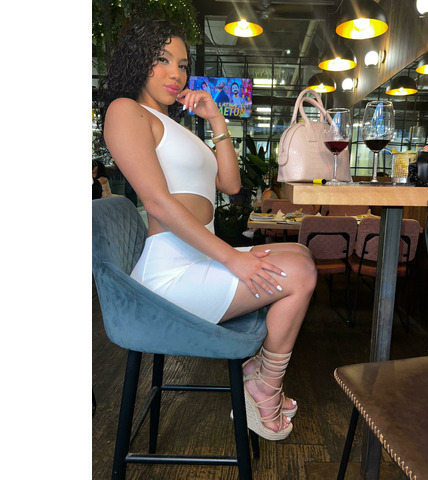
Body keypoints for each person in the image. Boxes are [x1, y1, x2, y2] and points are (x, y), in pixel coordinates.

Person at [99, 19, 317, 441]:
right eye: (162, 60)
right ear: (138, 61)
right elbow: (158, 202)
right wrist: (231, 257)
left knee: (302, 255)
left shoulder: (176, 125)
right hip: (169, 277)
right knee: (300, 272)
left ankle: (260, 373)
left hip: (199, 259)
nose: (176, 73)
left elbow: (230, 184)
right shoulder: (125, 111)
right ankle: (265, 386)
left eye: (182, 65)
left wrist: (216, 118)